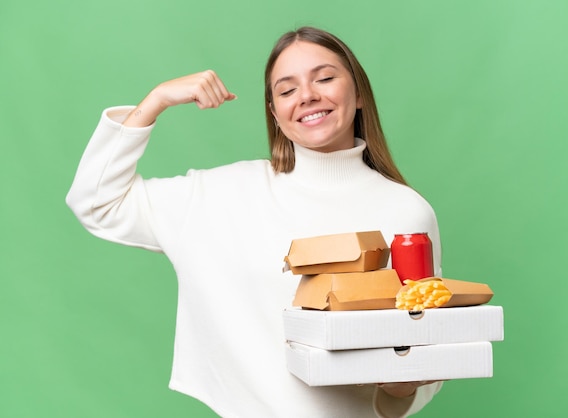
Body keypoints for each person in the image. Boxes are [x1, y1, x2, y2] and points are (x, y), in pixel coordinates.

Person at [66, 26, 444, 417]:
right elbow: (96, 203)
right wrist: (156, 100)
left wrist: (403, 386)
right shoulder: (219, 196)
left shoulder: (407, 212)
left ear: (359, 93)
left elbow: (425, 349)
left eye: (325, 78)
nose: (308, 96)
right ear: (275, 113)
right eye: (286, 90)